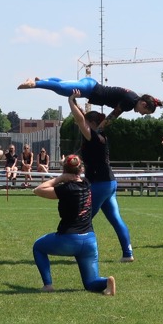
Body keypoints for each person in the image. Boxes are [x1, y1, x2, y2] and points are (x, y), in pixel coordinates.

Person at [32, 154, 116, 295]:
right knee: (90, 283)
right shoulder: (87, 184)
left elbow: (38, 190)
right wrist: (67, 170)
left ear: (64, 171)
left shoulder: (65, 189)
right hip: (89, 240)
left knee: (38, 247)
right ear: (81, 169)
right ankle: (106, 281)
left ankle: (48, 285)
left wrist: (60, 178)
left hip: (69, 239)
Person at [68, 90, 134, 262]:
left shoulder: (94, 136)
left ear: (93, 123)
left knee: (84, 218)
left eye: (86, 123)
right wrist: (76, 103)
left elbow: (81, 120)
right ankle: (128, 254)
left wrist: (70, 100)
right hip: (108, 183)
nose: (81, 126)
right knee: (115, 218)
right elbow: (82, 118)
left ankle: (84, 252)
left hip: (100, 184)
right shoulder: (99, 135)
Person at [18, 76, 163, 121]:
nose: (142, 114)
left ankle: (43, 79)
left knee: (63, 85)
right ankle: (34, 83)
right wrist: (98, 131)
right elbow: (113, 116)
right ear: (143, 104)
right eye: (145, 112)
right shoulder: (130, 103)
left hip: (91, 85)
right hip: (90, 89)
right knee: (62, 89)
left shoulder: (133, 96)